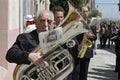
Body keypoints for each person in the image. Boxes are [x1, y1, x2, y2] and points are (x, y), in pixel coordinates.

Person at [77, 5, 96, 80]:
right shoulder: (77, 23)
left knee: (84, 73)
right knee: (76, 72)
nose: (85, 13)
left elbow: (95, 37)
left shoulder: (92, 23)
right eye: (83, 11)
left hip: (87, 51)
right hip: (78, 50)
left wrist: (91, 36)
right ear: (80, 12)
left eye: (86, 11)